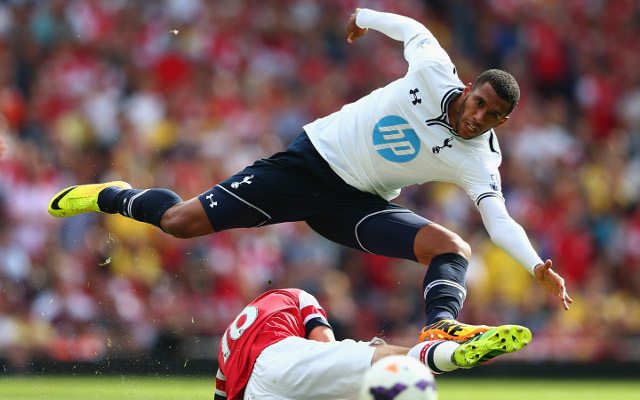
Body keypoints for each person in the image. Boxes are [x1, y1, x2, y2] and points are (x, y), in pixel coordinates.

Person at [48, 8, 572, 344]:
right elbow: (414, 30)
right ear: (471, 87)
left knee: (452, 247)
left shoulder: (480, 157)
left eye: (493, 116)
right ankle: (116, 196)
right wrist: (364, 15)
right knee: (181, 222)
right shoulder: (435, 72)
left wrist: (534, 267)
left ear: (503, 120)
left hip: (357, 203)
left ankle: (438, 329)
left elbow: (498, 219)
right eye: (479, 103)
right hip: (311, 163)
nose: (478, 118)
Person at [213, 288, 531, 400]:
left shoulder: (229, 342)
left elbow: (221, 392)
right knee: (380, 358)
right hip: (279, 360)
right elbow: (324, 345)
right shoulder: (295, 298)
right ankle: (451, 352)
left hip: (253, 393)